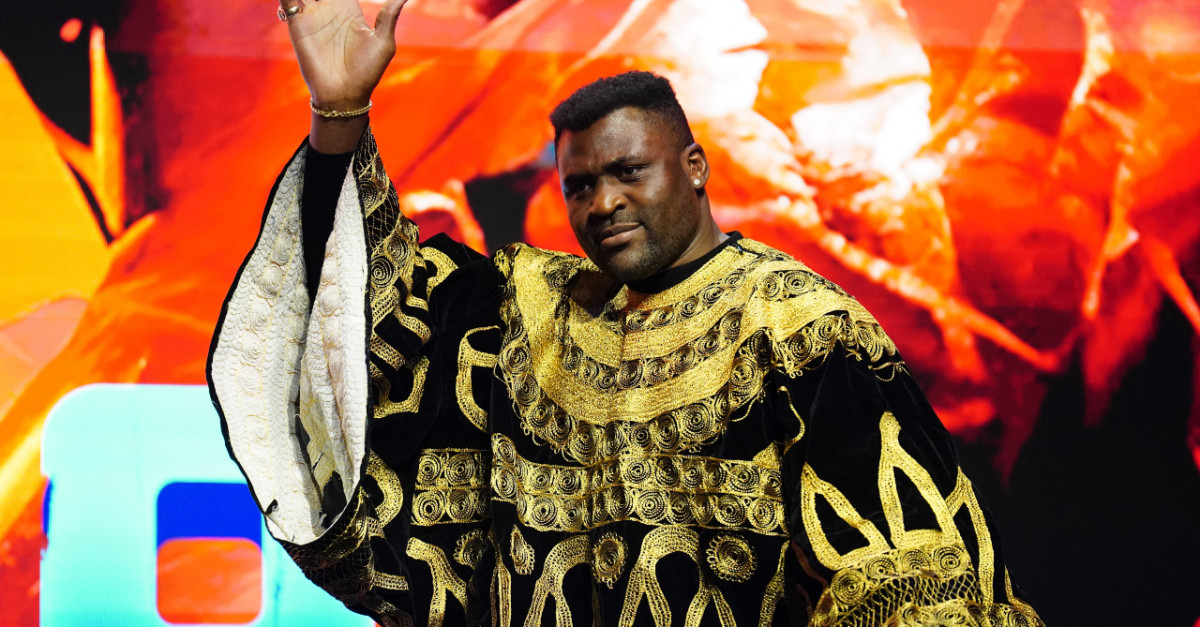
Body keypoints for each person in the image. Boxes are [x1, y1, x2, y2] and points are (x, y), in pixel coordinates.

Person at [206, 0, 1044, 625]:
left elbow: (906, 577)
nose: (602, 201)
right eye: (580, 184)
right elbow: (366, 329)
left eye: (629, 172)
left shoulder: (799, 330)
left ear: (695, 167)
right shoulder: (527, 319)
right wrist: (340, 116)